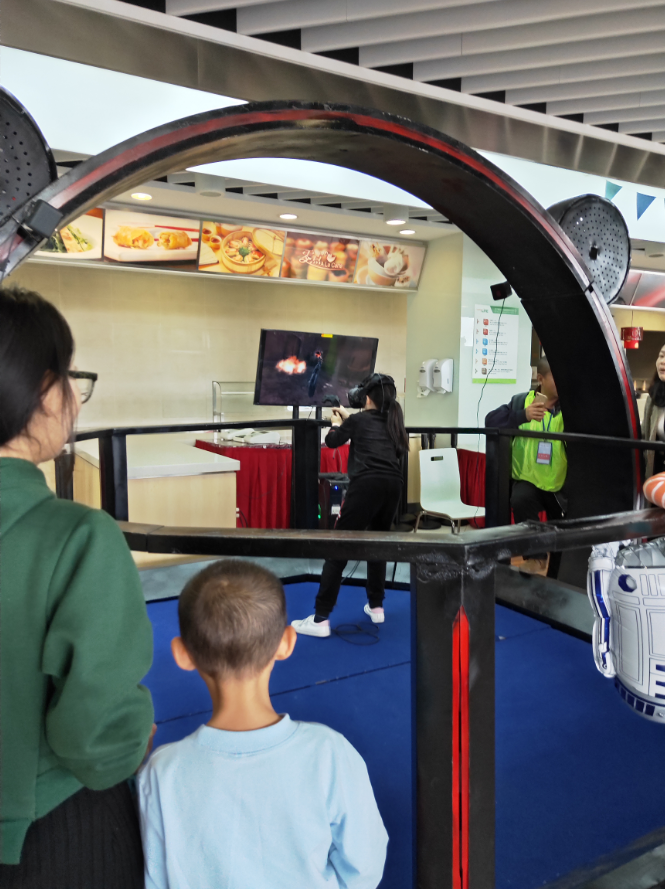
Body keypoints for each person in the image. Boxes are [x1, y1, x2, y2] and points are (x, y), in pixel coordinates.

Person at [0, 286, 155, 889]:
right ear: (41, 390)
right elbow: (94, 735)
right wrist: (131, 742)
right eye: (68, 376)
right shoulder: (77, 537)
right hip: (49, 833)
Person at [138, 559, 388, 889]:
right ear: (286, 643)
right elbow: (364, 866)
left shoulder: (161, 771)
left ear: (182, 653)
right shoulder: (331, 753)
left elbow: (154, 878)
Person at [291, 374, 408, 637]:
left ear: (367, 398)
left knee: (338, 548)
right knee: (378, 544)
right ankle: (376, 607)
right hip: (393, 486)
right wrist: (347, 418)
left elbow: (333, 441)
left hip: (365, 486)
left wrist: (335, 424)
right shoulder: (394, 422)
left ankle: (320, 619)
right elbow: (374, 435)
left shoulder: (359, 420)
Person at [485, 357, 567, 574]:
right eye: (556, 377)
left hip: (560, 483)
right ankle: (535, 557)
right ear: (540, 378)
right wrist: (523, 415)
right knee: (520, 500)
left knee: (563, 527)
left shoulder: (570, 407)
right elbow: (490, 420)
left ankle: (557, 573)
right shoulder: (521, 401)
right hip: (528, 478)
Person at [642, 342, 665, 481]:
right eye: (661, 356)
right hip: (656, 474)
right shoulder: (653, 398)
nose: (663, 361)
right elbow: (644, 436)